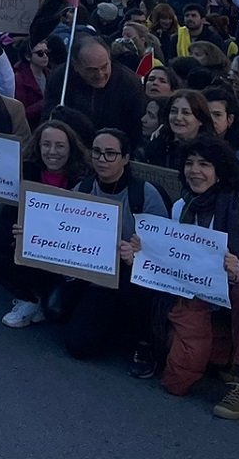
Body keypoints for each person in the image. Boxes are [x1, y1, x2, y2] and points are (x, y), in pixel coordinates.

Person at [133, 135, 239, 419]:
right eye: (189, 163)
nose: (195, 171)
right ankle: (223, 353)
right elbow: (170, 259)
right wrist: (140, 255)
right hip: (201, 300)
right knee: (177, 367)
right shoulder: (181, 207)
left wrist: (238, 271)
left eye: (204, 164)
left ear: (220, 171)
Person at [65, 128, 168, 368]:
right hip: (95, 279)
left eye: (110, 154)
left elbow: (162, 247)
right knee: (77, 344)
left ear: (126, 158)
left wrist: (138, 252)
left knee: (133, 294)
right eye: (97, 153)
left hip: (133, 279)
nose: (102, 159)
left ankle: (144, 341)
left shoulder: (144, 194)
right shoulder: (82, 189)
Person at [0, 118, 89, 328]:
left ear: (71, 148)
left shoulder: (84, 178)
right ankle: (29, 298)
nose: (52, 151)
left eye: (60, 145)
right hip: (32, 252)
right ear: (38, 146)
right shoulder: (26, 172)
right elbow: (8, 218)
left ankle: (48, 298)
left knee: (57, 313)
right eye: (46, 144)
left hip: (67, 261)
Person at [58, 31, 147, 140]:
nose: (100, 74)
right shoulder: (61, 79)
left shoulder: (129, 83)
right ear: (76, 66)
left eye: (104, 66)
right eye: (92, 70)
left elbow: (137, 130)